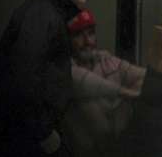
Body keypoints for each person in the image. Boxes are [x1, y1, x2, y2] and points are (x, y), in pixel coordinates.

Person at [0, 0, 113, 157]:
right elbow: (22, 84)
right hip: (25, 138)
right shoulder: (42, 18)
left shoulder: (48, 13)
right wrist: (44, 134)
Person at [62, 9, 145, 156]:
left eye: (91, 33)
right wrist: (127, 93)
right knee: (89, 104)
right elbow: (83, 81)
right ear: (67, 40)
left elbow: (140, 75)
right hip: (83, 152)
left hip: (117, 147)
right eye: (78, 35)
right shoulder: (64, 69)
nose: (87, 41)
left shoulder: (104, 60)